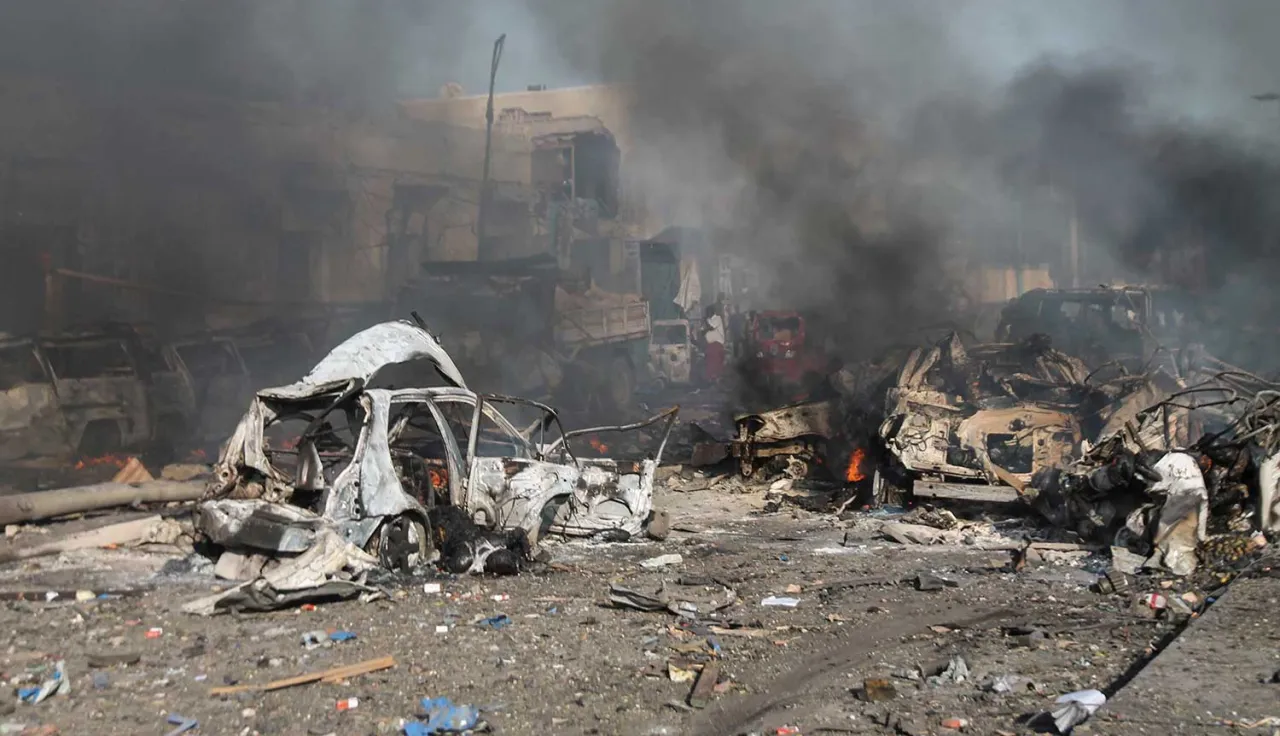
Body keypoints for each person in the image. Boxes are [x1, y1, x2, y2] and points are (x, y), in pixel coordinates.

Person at [703, 304, 726, 384]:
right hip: (711, 344)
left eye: (707, 312)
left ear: (711, 311)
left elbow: (711, 327)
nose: (707, 313)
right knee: (709, 360)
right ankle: (711, 378)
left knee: (714, 361)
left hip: (717, 343)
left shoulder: (717, 318)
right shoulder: (709, 320)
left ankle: (716, 377)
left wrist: (705, 320)